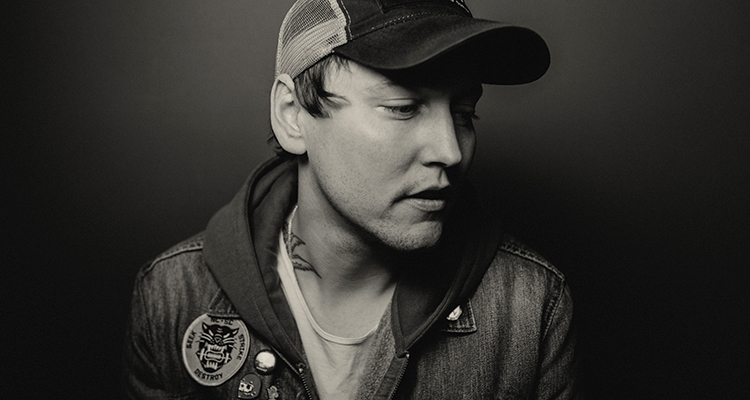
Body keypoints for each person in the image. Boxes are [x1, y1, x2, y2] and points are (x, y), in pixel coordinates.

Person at [123, 0, 579, 399]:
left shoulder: (532, 306)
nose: (450, 151)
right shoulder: (173, 298)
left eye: (464, 113)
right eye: (403, 107)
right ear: (292, 116)